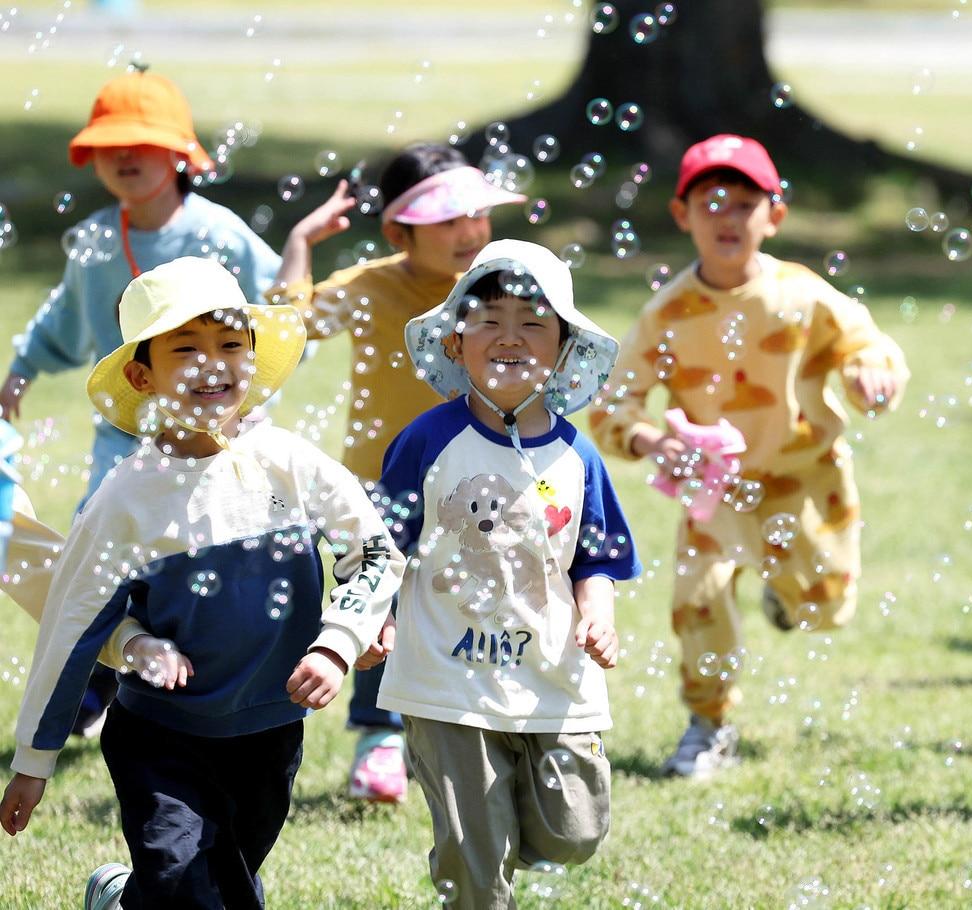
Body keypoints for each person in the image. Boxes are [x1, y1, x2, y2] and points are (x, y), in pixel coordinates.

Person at [0, 258, 405, 909]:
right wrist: (34, 760)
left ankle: (120, 899)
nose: (211, 363)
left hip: (270, 729)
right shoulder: (126, 498)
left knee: (224, 883)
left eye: (229, 344)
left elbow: (377, 555)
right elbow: (72, 626)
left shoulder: (289, 463)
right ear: (142, 375)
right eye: (184, 348)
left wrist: (340, 638)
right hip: (162, 735)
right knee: (190, 888)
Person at [589, 134, 909, 778]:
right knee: (698, 602)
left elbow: (867, 344)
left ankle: (787, 596)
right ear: (682, 216)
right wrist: (652, 440)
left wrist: (871, 373)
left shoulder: (803, 295)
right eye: (710, 202)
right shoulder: (668, 313)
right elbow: (612, 403)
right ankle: (708, 723)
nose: (726, 217)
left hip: (804, 479)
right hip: (715, 490)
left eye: (743, 203)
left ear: (775, 215)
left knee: (825, 608)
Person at [0, 68, 282, 738]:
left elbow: (273, 310)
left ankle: (201, 678)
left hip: (215, 436)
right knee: (95, 557)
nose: (124, 157)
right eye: (108, 145)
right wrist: (20, 373)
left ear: (182, 154)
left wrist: (253, 397)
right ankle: (98, 682)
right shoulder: (98, 243)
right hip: (123, 438)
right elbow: (63, 317)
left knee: (196, 557)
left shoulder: (221, 233)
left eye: (142, 143)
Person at [377, 240, 639, 908]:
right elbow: (382, 544)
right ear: (456, 341)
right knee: (477, 862)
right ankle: (475, 871)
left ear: (562, 350)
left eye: (533, 322)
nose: (509, 337)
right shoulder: (427, 441)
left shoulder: (578, 455)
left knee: (574, 831)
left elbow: (596, 559)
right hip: (447, 677)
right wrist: (373, 618)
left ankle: (491, 844)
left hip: (552, 670)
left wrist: (599, 615)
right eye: (488, 319)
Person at [266, 143, 526, 802]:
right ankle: (378, 737)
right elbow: (285, 325)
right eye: (448, 220)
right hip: (382, 482)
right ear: (396, 231)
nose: (470, 231)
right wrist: (299, 240)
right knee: (380, 603)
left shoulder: (498, 282)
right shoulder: (372, 285)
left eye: (476, 215)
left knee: (481, 602)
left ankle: (475, 730)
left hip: (481, 481)